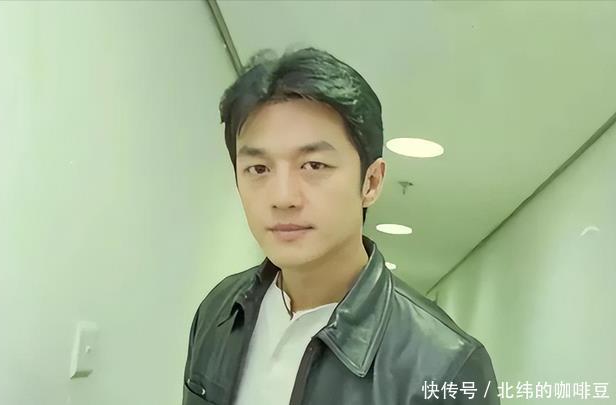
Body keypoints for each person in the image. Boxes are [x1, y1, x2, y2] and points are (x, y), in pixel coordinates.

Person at [181, 47, 499, 405]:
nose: (282, 197)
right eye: (258, 169)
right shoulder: (219, 310)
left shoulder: (444, 366)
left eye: (314, 166)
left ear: (371, 182)